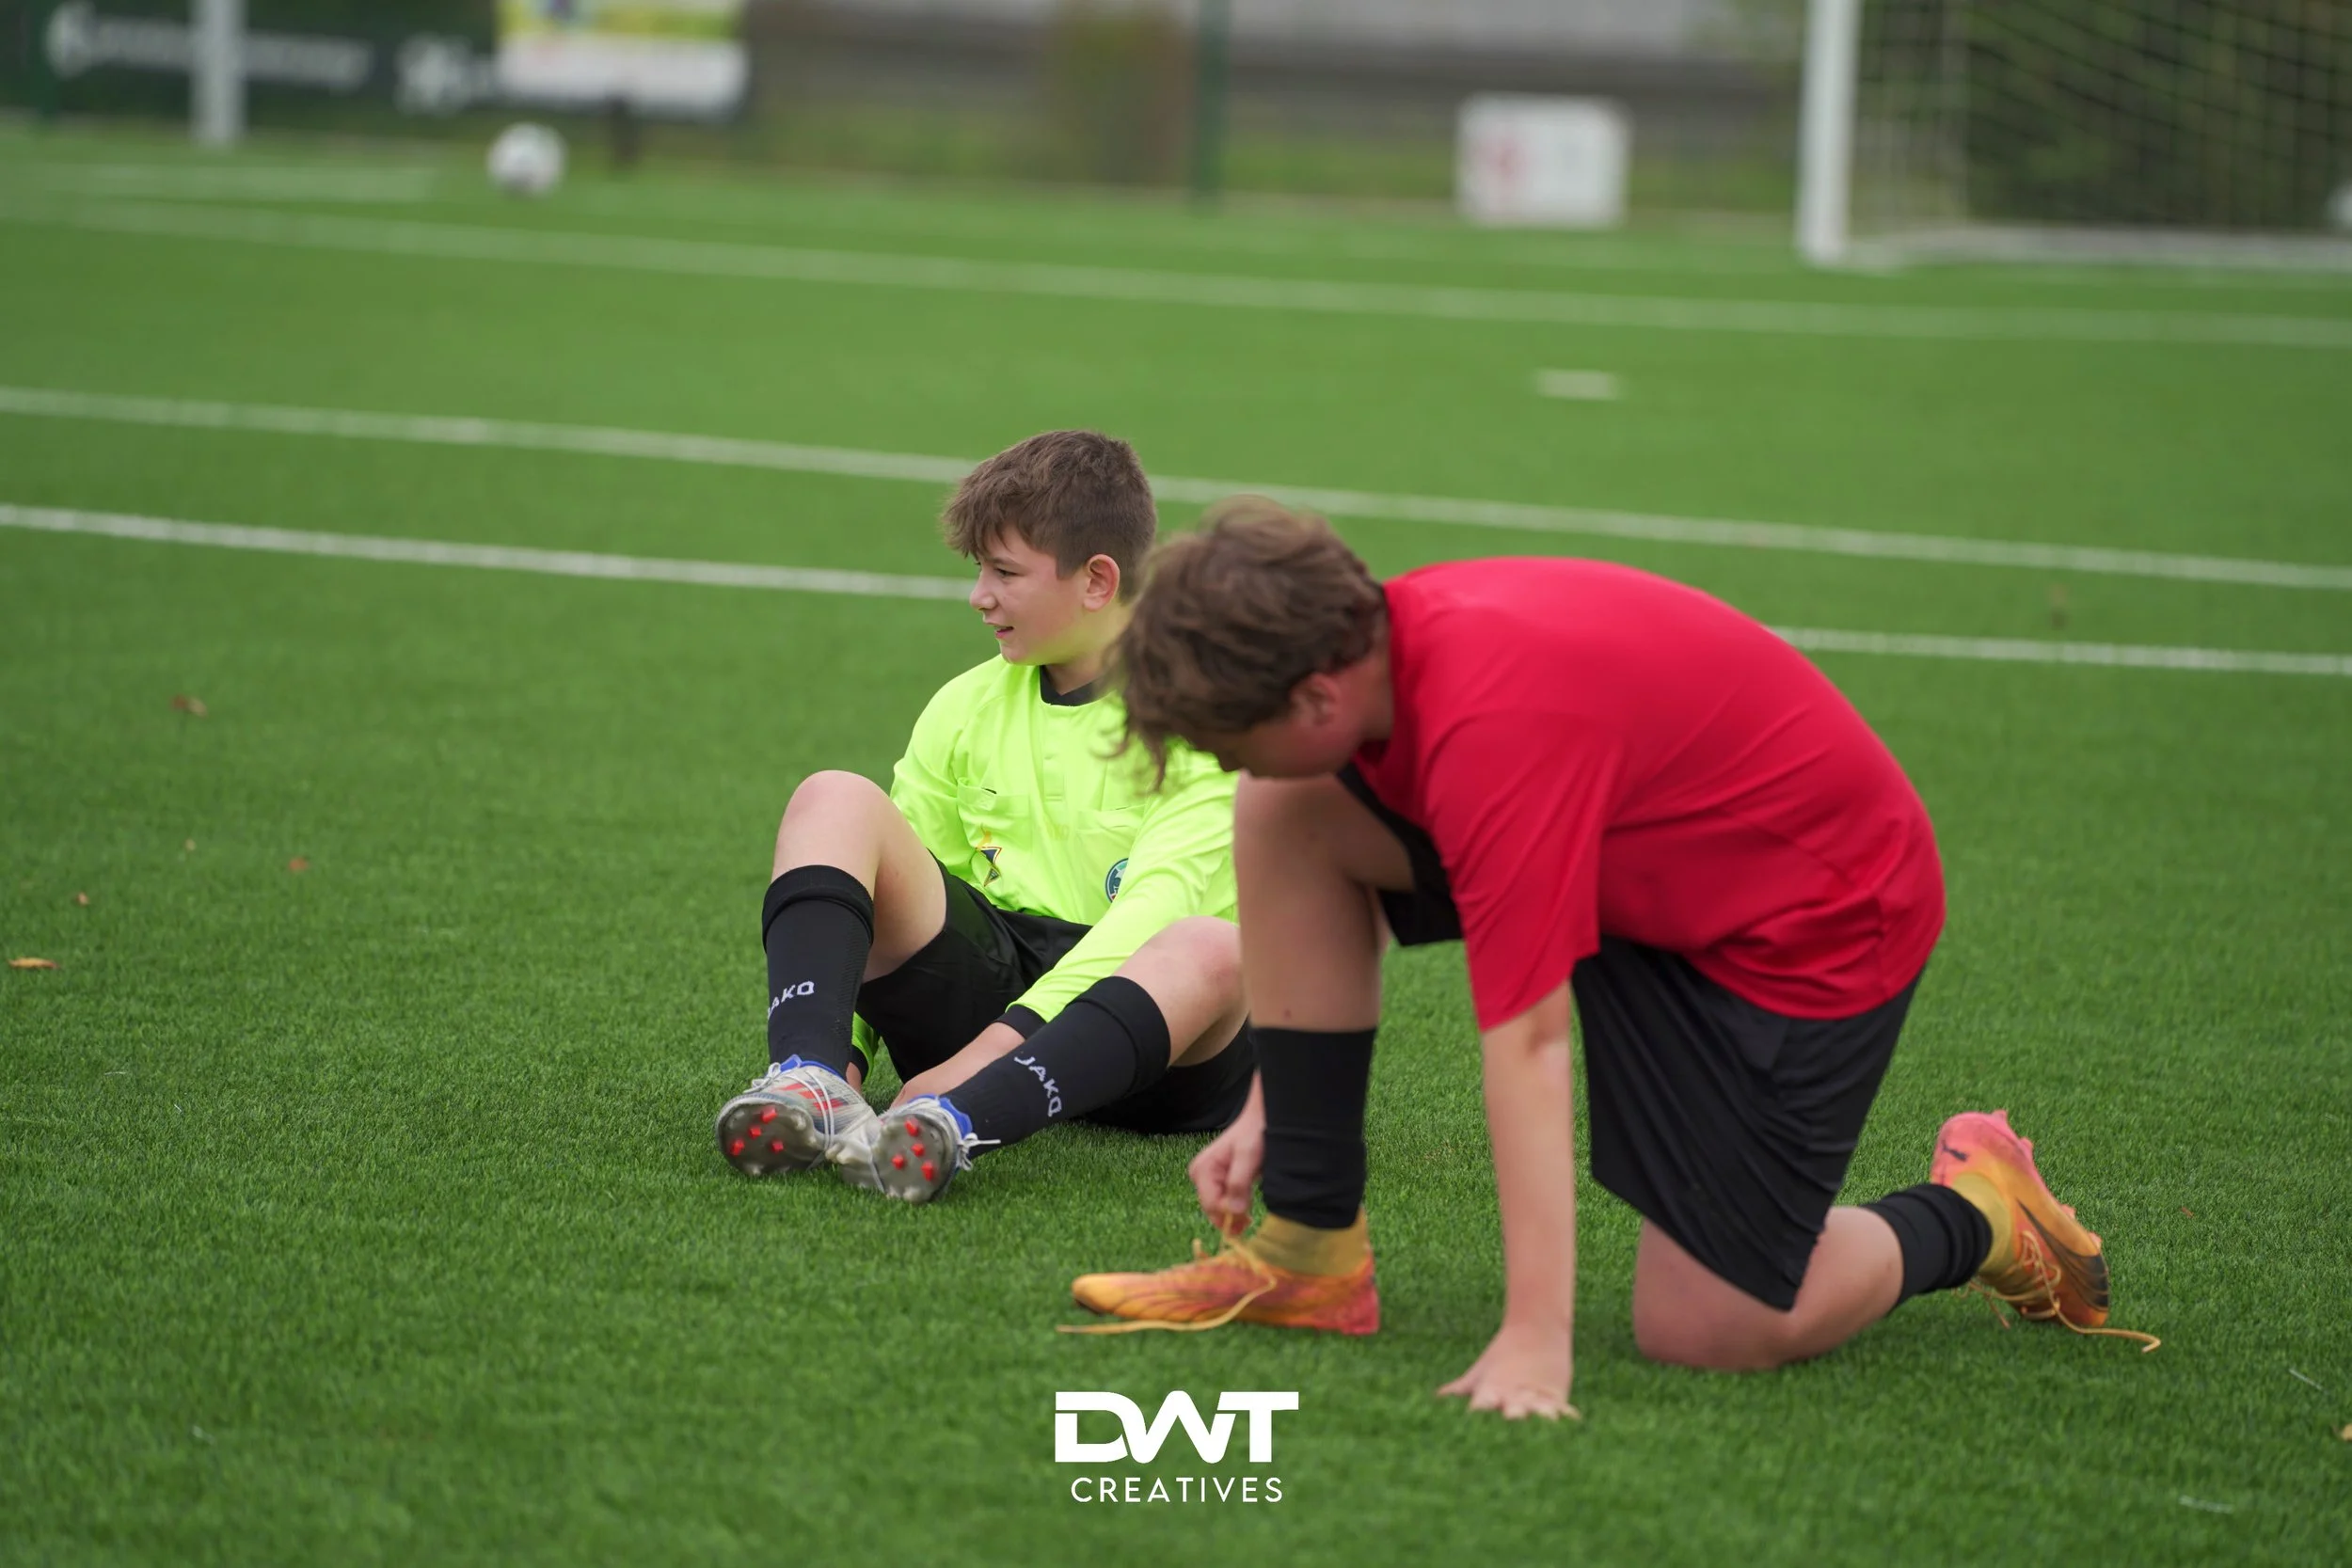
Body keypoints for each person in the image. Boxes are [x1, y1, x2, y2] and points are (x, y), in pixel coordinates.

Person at [1068, 499, 2152, 1414]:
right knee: (1285, 808)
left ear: (1314, 697)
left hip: (1806, 921)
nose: (1223, 760)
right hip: (1636, 863)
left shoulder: (1492, 728)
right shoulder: (1361, 650)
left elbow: (1531, 1044)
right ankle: (1308, 1250)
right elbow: (1318, 850)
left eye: (1227, 739)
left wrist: (1535, 1338)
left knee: (1712, 1328)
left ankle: (1980, 1210)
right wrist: (1282, 1105)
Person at [715, 433, 1254, 1203]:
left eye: (1004, 572)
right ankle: (812, 1079)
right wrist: (854, 1057)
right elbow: (887, 900)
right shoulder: (966, 705)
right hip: (995, 984)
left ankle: (957, 1119)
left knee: (1209, 944)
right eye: (979, 570)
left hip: (1160, 1049)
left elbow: (1150, 915)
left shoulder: (1204, 718)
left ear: (1097, 580)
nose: (979, 595)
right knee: (835, 797)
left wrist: (981, 1058)